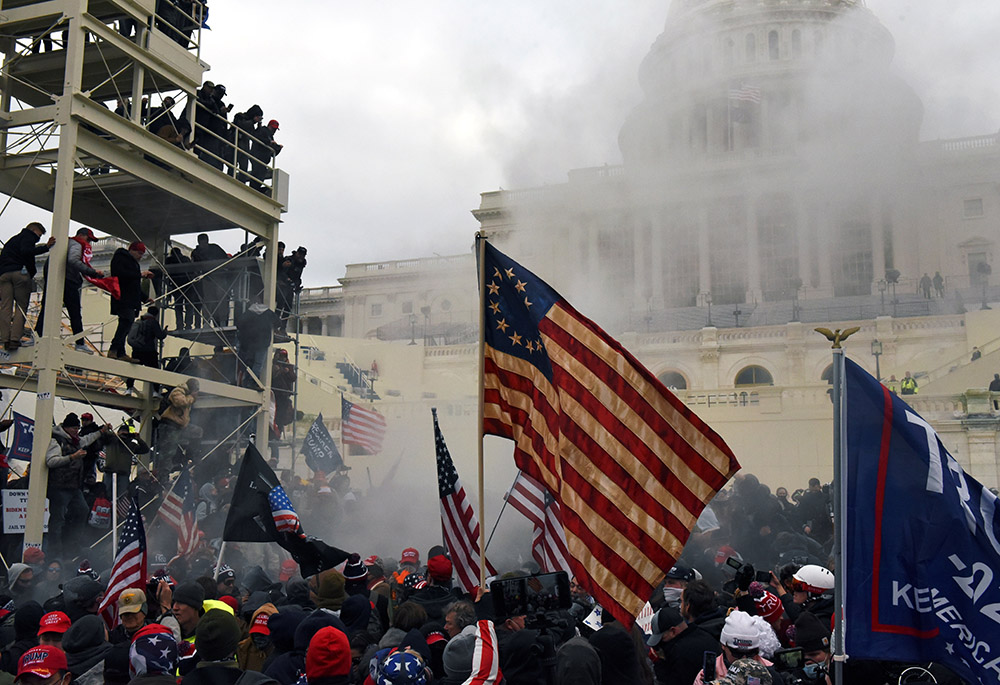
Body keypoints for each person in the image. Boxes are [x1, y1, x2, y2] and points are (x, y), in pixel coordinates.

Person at [45, 414, 109, 559]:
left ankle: (71, 545)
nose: (77, 431)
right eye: (74, 428)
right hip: (59, 486)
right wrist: (72, 457)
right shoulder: (56, 441)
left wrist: (101, 432)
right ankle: (55, 552)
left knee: (82, 510)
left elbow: (87, 439)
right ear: (66, 428)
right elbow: (51, 461)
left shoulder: (75, 441)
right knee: (58, 519)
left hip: (73, 487)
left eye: (78, 428)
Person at [36, 227, 103, 353]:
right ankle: (79, 342)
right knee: (75, 313)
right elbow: (73, 260)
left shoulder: (63, 243)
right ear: (82, 236)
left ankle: (36, 335)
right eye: (89, 240)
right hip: (68, 281)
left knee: (46, 308)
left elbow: (47, 264)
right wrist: (91, 272)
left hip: (54, 279)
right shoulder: (77, 244)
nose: (89, 244)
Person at [0, 222, 55, 350]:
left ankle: (3, 338)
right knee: (21, 306)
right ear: (34, 230)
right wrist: (45, 247)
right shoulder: (28, 237)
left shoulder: (12, 240)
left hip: (4, 275)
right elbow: (27, 252)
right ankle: (14, 339)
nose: (38, 239)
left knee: (5, 307)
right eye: (39, 235)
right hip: (20, 273)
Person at [647, 606, 719, 685]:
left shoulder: (679, 652)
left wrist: (659, 663)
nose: (660, 644)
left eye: (662, 638)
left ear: (673, 631)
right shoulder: (704, 634)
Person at [109, 241, 153, 362]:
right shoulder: (120, 258)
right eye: (139, 253)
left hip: (129, 299)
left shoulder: (133, 263)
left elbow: (135, 285)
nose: (140, 256)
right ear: (132, 250)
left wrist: (145, 298)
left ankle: (120, 351)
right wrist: (140, 275)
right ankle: (114, 349)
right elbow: (121, 275)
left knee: (126, 324)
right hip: (122, 298)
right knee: (126, 322)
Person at [156, 378, 200, 473]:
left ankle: (190, 455)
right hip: (170, 426)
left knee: (197, 431)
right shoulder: (178, 391)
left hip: (179, 427)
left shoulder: (186, 394)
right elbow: (179, 402)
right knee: (168, 452)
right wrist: (191, 397)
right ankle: (163, 476)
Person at [190, 234, 230, 327]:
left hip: (219, 277)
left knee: (221, 300)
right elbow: (194, 266)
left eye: (204, 242)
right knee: (208, 301)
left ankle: (222, 322)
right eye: (201, 242)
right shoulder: (196, 252)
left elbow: (225, 260)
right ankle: (207, 322)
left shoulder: (215, 248)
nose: (203, 245)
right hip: (207, 279)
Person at [249, 119, 282, 192]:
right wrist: (269, 142)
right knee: (257, 174)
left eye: (275, 129)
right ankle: (253, 189)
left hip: (263, 159)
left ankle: (255, 189)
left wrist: (278, 148)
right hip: (257, 156)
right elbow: (257, 137)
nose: (274, 131)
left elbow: (273, 154)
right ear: (269, 126)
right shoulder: (262, 130)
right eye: (273, 128)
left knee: (260, 175)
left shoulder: (270, 136)